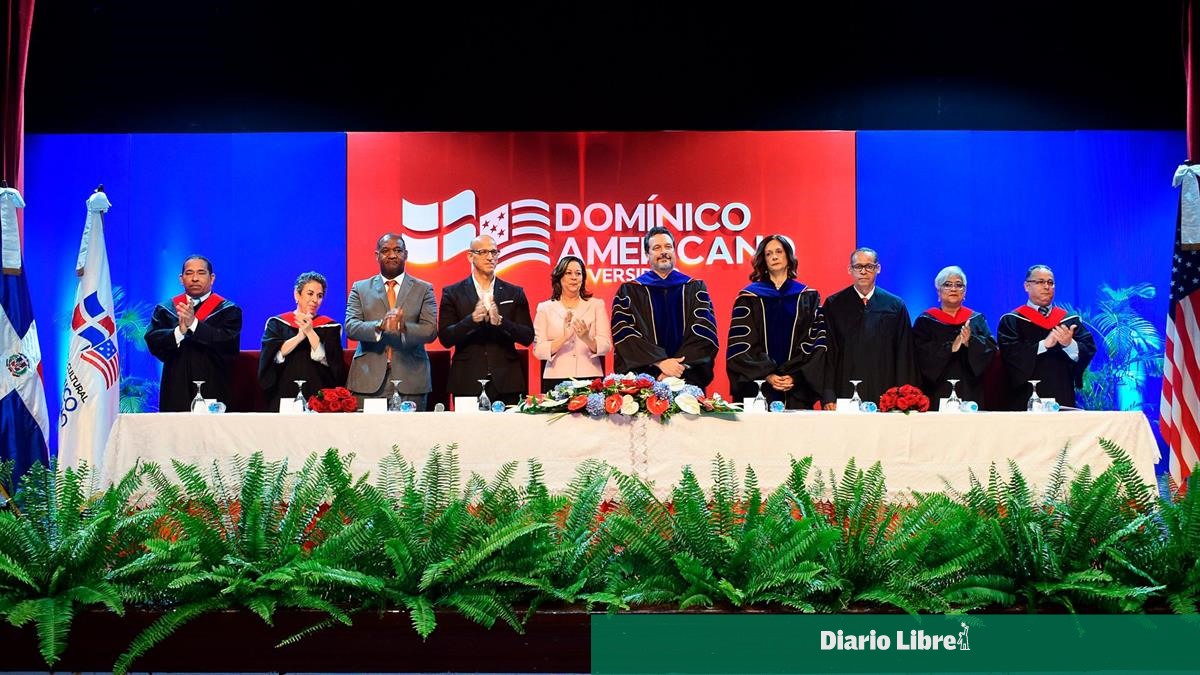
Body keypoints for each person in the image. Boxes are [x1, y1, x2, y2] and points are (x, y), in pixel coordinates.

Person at [726, 235, 828, 409]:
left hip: (795, 388)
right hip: (758, 387)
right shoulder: (749, 297)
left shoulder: (808, 296)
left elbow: (815, 342)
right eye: (768, 254)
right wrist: (767, 374)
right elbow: (741, 344)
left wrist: (795, 375)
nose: (774, 257)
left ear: (788, 257)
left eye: (779, 252)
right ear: (764, 261)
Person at [611, 226, 718, 387]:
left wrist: (677, 368)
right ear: (647, 254)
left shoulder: (694, 288)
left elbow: (704, 332)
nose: (664, 252)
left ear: (674, 251)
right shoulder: (630, 291)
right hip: (645, 381)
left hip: (686, 378)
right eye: (657, 248)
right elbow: (625, 334)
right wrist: (660, 362)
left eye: (668, 247)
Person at [344, 233, 438, 410]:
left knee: (411, 429)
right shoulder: (360, 288)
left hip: (411, 378)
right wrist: (380, 325)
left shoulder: (424, 288)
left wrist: (403, 327)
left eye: (398, 250)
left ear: (406, 254)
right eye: (386, 250)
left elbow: (430, 330)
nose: (392, 255)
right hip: (367, 379)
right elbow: (351, 327)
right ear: (377, 255)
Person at [438, 234, 534, 406]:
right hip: (467, 381)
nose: (490, 257)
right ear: (470, 256)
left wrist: (502, 322)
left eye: (494, 252)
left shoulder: (514, 292)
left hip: (507, 382)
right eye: (483, 252)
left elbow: (527, 336)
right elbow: (445, 338)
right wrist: (472, 320)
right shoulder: (452, 293)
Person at [144, 254, 242, 411]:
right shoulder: (166, 310)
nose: (195, 278)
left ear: (212, 278)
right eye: (189, 273)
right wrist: (179, 331)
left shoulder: (228, 310)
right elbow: (154, 342)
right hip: (175, 386)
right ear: (181, 279)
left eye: (201, 273)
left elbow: (229, 346)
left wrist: (194, 324)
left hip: (213, 385)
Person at [821, 247, 915, 408]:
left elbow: (904, 353)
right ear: (850, 269)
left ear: (878, 268)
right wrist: (828, 394)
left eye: (869, 266)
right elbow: (828, 352)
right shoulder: (834, 304)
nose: (863, 271)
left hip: (885, 389)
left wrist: (902, 395)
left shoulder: (894, 305)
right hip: (844, 387)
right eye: (858, 266)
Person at [997, 265, 1097, 409]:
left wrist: (1069, 344)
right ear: (1027, 286)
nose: (1046, 286)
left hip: (1062, 394)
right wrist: (1043, 345)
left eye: (1050, 282)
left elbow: (1089, 348)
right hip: (1024, 397)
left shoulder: (1069, 320)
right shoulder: (1011, 320)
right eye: (1040, 282)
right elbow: (1010, 356)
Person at [912, 266, 998, 409]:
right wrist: (950, 347)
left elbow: (991, 349)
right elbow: (918, 353)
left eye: (959, 285)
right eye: (947, 284)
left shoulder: (976, 319)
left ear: (964, 292)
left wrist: (970, 341)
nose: (953, 289)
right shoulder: (925, 321)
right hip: (937, 387)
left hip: (970, 387)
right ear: (938, 291)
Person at [258, 271, 346, 410]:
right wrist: (299, 337)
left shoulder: (330, 327)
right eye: (310, 294)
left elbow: (333, 364)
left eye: (320, 296)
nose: (315, 300)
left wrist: (310, 332)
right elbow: (271, 357)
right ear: (297, 295)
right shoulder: (277, 323)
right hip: (284, 390)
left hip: (318, 392)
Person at [533, 256, 612, 391]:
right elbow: (538, 351)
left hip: (590, 375)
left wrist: (587, 338)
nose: (574, 277)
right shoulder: (545, 308)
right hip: (555, 377)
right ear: (559, 277)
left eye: (578, 273)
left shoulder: (596, 305)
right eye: (568, 273)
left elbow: (606, 346)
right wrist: (565, 337)